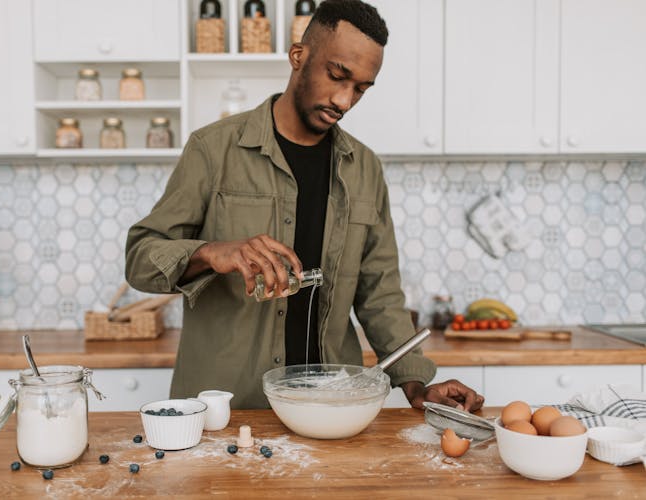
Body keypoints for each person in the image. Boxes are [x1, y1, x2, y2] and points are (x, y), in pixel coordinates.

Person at [126, 0, 484, 412]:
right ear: (299, 56)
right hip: (226, 410)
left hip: (331, 410)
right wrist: (212, 252)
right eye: (337, 75)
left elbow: (380, 292)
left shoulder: (365, 168)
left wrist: (416, 383)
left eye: (361, 88)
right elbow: (140, 259)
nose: (345, 100)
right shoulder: (213, 149)